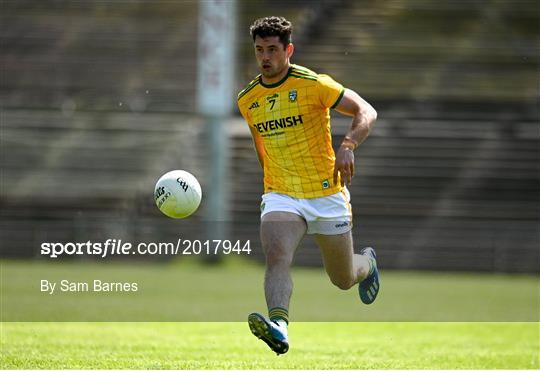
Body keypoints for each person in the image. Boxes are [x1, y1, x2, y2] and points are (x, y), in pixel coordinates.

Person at [237, 16, 379, 355]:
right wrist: (271, 187)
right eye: (259, 50)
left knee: (343, 279)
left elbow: (366, 111)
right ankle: (279, 326)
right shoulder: (248, 99)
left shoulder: (314, 84)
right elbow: (261, 145)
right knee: (276, 255)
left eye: (272, 49)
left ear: (289, 50)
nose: (265, 57)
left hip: (327, 193)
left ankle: (368, 264)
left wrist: (348, 146)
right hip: (282, 193)